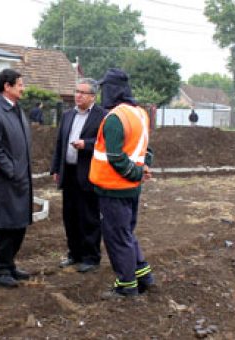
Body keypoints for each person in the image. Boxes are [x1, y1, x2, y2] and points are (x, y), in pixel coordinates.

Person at [89, 68, 155, 298]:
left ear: (112, 90)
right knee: (126, 233)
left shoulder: (115, 118)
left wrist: (136, 173)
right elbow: (147, 150)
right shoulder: (140, 113)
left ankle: (127, 286)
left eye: (103, 88)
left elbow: (116, 157)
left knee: (117, 237)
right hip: (131, 189)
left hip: (114, 188)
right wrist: (143, 168)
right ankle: (144, 276)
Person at [0, 68, 34, 288]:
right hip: (5, 182)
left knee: (18, 224)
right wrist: (12, 171)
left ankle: (9, 264)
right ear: (7, 86)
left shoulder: (16, 110)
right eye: (20, 84)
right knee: (4, 225)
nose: (23, 88)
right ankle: (0, 269)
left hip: (20, 179)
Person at [50, 78, 106, 273]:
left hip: (89, 173)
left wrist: (86, 145)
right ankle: (74, 253)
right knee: (70, 216)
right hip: (69, 172)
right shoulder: (67, 115)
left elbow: (104, 143)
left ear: (93, 97)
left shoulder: (102, 116)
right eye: (76, 91)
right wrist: (56, 168)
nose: (78, 95)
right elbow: (60, 143)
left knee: (89, 217)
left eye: (83, 92)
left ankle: (91, 257)